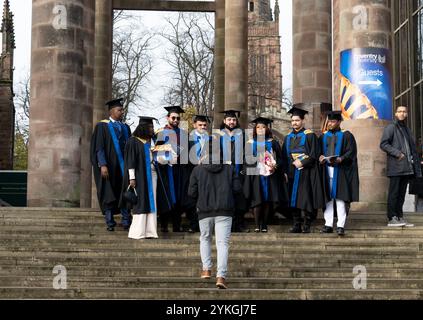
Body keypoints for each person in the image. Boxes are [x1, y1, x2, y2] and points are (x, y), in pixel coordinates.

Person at [188, 140, 242, 289]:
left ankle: (206, 269)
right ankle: (221, 277)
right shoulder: (229, 169)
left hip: (204, 210)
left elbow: (191, 193)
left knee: (204, 239)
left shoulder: (197, 170)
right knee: (222, 243)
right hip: (224, 210)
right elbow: (237, 189)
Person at [120, 116, 172, 239]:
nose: (152, 129)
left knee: (152, 202)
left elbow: (165, 158)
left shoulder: (153, 140)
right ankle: (137, 232)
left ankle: (150, 231)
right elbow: (130, 161)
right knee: (141, 202)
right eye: (150, 127)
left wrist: (161, 155)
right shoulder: (133, 141)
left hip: (153, 175)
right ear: (143, 127)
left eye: (152, 127)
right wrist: (132, 178)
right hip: (140, 176)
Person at [281, 105, 324, 233]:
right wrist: (284, 171)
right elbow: (284, 156)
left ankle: (307, 224)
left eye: (297, 120)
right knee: (293, 199)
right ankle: (296, 224)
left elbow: (315, 154)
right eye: (293, 120)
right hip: (291, 173)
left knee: (306, 198)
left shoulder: (310, 135)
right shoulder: (288, 137)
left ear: (303, 121)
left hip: (306, 172)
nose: (295, 123)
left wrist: (303, 162)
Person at [90, 98, 132, 232]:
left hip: (123, 167)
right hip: (109, 167)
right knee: (109, 193)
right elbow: (99, 148)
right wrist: (102, 164)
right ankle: (110, 222)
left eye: (122, 110)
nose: (121, 112)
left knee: (125, 193)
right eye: (119, 110)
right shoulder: (102, 126)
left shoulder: (126, 127)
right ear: (111, 111)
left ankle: (126, 221)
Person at [243, 117, 288, 232]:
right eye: (258, 127)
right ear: (255, 129)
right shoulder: (250, 143)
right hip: (256, 175)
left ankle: (264, 224)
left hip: (270, 175)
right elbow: (245, 160)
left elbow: (281, 159)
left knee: (267, 199)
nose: (261, 129)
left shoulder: (273, 143)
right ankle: (257, 225)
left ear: (267, 129)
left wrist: (275, 166)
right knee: (257, 199)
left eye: (263, 127)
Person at [155, 106, 196, 232]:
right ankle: (164, 225)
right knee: (166, 196)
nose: (176, 120)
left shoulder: (184, 134)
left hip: (180, 171)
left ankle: (177, 225)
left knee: (178, 197)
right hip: (166, 170)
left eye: (178, 118)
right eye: (173, 117)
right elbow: (156, 153)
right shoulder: (161, 133)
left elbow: (190, 153)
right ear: (168, 118)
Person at [380, 105, 422, 227]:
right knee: (394, 193)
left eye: (404, 111)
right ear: (396, 113)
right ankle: (392, 217)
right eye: (400, 111)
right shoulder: (391, 127)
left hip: (407, 167)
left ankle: (399, 216)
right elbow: (383, 144)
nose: (402, 113)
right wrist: (398, 153)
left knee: (402, 194)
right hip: (396, 166)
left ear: (407, 114)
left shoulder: (407, 129)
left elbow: (412, 148)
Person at [319, 111, 359, 236]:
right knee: (328, 199)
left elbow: (351, 152)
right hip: (326, 170)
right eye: (329, 121)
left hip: (340, 171)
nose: (330, 124)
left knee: (340, 198)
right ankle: (328, 224)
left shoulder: (346, 135)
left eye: (333, 121)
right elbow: (318, 151)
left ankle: (341, 225)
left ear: (339, 122)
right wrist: (320, 157)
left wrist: (341, 159)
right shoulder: (322, 137)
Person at [219, 110, 249, 233]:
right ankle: (225, 225)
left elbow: (248, 153)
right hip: (223, 173)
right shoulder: (218, 135)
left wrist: (244, 170)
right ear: (224, 121)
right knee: (225, 198)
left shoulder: (242, 135)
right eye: (229, 120)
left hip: (239, 172)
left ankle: (239, 224)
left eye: (234, 120)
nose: (231, 122)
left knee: (239, 198)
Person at [186, 115, 212, 233]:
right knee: (192, 199)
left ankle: (206, 227)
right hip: (191, 172)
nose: (203, 127)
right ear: (194, 125)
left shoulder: (211, 139)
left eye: (204, 125)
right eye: (200, 125)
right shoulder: (187, 139)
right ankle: (193, 224)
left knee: (206, 199)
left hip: (207, 173)